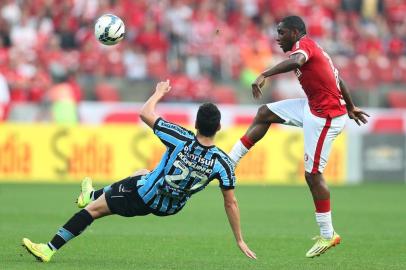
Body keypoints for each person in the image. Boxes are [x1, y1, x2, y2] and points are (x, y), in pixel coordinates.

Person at [22, 80, 257, 262]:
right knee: (142, 172)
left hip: (145, 196)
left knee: (93, 211)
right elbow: (231, 203)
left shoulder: (181, 138)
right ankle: (91, 194)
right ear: (218, 127)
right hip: (171, 207)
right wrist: (239, 239)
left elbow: (145, 113)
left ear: (196, 125)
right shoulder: (222, 162)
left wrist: (159, 93)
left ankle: (49, 248)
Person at [228, 16, 369, 258]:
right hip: (313, 106)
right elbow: (338, 79)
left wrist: (264, 74)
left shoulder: (304, 48)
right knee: (264, 113)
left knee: (312, 174)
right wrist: (351, 105)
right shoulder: (312, 47)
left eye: (281, 32)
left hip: (326, 117)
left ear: (295, 32)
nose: (277, 37)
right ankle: (230, 162)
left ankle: (328, 233)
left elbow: (297, 61)